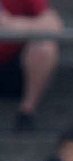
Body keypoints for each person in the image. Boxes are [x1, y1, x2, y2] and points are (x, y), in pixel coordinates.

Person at [0, 0, 63, 131]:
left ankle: (26, 112)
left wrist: (13, 24)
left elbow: (54, 25)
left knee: (44, 45)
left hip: (14, 68)